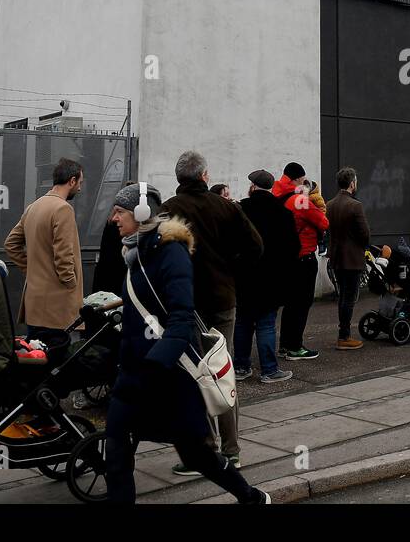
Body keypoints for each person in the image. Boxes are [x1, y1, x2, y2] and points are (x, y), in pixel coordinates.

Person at [103, 183, 270, 506]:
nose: (113, 218)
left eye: (119, 211)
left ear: (140, 213)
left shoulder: (170, 252)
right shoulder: (133, 254)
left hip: (169, 377)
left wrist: (155, 363)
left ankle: (249, 497)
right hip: (133, 374)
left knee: (197, 454)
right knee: (116, 450)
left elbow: (180, 319)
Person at [163, 151, 266, 474]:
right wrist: (231, 267)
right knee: (223, 372)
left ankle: (205, 451)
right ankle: (232, 451)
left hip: (188, 304)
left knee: (196, 377)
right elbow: (256, 246)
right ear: (205, 176)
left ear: (180, 178)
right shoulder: (226, 207)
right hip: (223, 298)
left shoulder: (169, 210)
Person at [5, 158, 85, 346]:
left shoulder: (33, 207)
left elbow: (11, 244)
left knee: (37, 358)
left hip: (34, 303)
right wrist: (70, 283)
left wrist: (31, 269)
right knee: (58, 362)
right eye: (80, 183)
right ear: (72, 181)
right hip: (57, 306)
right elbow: (64, 254)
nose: (80, 188)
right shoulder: (63, 209)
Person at [236, 171, 300, 385]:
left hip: (245, 276)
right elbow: (294, 248)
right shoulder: (283, 213)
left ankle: (241, 366)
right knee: (266, 324)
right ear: (270, 188)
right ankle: (269, 370)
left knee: (243, 322)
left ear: (253, 187)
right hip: (272, 278)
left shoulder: (241, 209)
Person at [273, 163, 330, 362]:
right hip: (303, 255)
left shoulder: (277, 195)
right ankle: (295, 347)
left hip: (286, 257)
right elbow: (323, 222)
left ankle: (284, 346)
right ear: (298, 179)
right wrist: (314, 199)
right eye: (303, 180)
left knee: (290, 303)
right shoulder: (299, 200)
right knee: (301, 303)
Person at [325, 167, 370, 350]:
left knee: (343, 295)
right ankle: (344, 336)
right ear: (352, 183)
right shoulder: (355, 205)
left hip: (336, 256)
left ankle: (343, 333)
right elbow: (364, 234)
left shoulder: (330, 204)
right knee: (349, 298)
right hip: (352, 257)